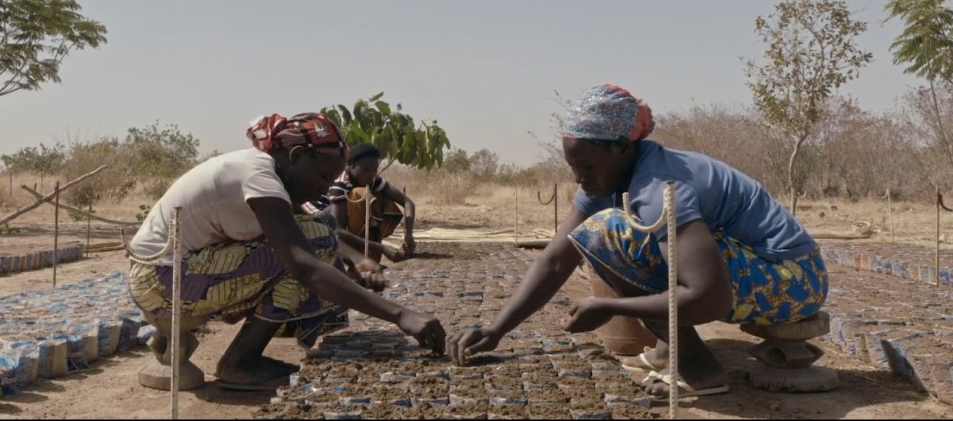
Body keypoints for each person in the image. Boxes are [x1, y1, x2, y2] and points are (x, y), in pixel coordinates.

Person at [446, 84, 828, 400]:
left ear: (622, 147)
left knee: (611, 230)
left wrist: (610, 307)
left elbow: (710, 297)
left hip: (793, 280)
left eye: (587, 166)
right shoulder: (607, 179)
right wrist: (496, 330)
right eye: (573, 167)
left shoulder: (660, 187)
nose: (579, 177)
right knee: (602, 232)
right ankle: (668, 348)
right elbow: (556, 260)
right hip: (762, 273)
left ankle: (699, 370)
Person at [127, 112, 446, 391]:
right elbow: (306, 263)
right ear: (296, 155)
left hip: (176, 273)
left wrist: (361, 259)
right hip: (160, 282)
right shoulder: (259, 177)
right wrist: (401, 315)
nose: (325, 188)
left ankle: (241, 359)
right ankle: (240, 363)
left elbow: (320, 231)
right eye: (322, 176)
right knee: (308, 255)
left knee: (316, 238)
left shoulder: (267, 173)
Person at [303, 142, 417, 267]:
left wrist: (409, 234)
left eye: (375, 170)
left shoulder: (371, 179)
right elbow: (337, 230)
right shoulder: (341, 184)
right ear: (352, 165)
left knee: (381, 197)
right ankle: (357, 259)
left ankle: (368, 254)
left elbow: (408, 202)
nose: (371, 174)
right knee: (359, 194)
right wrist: (381, 248)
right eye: (366, 169)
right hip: (316, 220)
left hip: (337, 221)